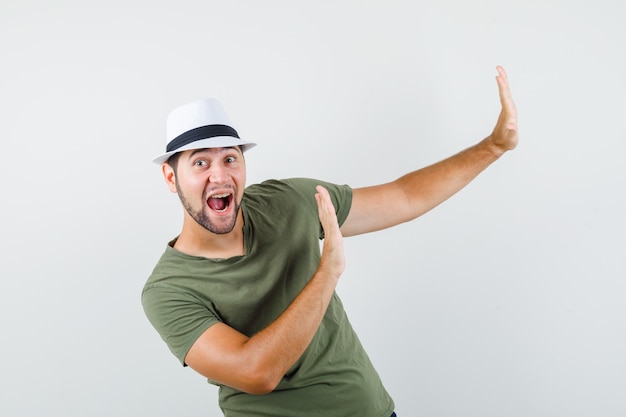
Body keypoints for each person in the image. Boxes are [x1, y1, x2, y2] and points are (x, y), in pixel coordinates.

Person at [142, 66, 519, 417]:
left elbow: (404, 197)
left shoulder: (287, 202)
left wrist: (493, 146)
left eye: (230, 158)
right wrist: (328, 272)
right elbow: (257, 373)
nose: (220, 175)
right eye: (200, 163)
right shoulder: (169, 290)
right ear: (171, 178)